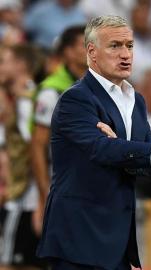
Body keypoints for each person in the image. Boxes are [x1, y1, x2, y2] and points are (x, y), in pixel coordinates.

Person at [36, 15, 151, 270]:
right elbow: (102, 149)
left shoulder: (136, 100)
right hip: (78, 239)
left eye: (129, 46)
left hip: (118, 243)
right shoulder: (75, 100)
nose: (125, 54)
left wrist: (123, 151)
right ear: (92, 52)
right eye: (115, 46)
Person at [30, 25, 87, 236]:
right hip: (63, 186)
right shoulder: (52, 92)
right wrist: (44, 194)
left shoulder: (100, 87)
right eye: (84, 45)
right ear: (68, 52)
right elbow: (38, 146)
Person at [0, 44, 46, 269]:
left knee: (7, 262)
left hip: (24, 198)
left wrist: (40, 199)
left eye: (5, 62)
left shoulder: (26, 102)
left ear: (20, 65)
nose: (2, 67)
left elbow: (37, 148)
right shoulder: (32, 96)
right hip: (30, 196)